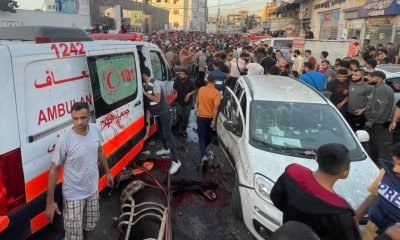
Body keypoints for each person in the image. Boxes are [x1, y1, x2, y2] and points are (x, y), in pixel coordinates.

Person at [45, 102, 114, 240]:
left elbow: (99, 151)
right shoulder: (65, 139)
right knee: (73, 235)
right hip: (73, 195)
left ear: (89, 115)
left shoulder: (95, 130)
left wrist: (108, 172)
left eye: (83, 117)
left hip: (92, 190)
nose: (79, 122)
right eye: (75, 118)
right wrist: (50, 201)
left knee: (90, 225)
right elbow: (54, 170)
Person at [270, 143, 360, 240]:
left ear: (316, 158)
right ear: (344, 173)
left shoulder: (293, 174)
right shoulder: (341, 212)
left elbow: (275, 197)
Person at [356, 144, 400, 240]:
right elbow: (374, 196)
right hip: (371, 229)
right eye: (394, 162)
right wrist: (357, 217)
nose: (395, 169)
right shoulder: (386, 172)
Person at [142, 67, 181, 174]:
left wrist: (144, 93)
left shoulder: (156, 83)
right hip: (157, 113)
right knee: (160, 131)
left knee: (168, 134)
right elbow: (149, 104)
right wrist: (148, 125)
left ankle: (176, 161)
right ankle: (166, 147)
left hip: (164, 112)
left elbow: (157, 99)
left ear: (144, 74)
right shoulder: (145, 85)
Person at [364, 71, 394, 166]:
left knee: (373, 144)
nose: (369, 78)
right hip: (374, 120)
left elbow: (380, 107)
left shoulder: (382, 89)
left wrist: (371, 121)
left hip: (376, 122)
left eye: (372, 77)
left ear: (379, 79)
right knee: (372, 143)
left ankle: (374, 164)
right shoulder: (377, 88)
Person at [196, 75, 221, 170]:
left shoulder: (201, 89)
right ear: (214, 81)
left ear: (207, 80)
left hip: (201, 116)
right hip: (210, 118)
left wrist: (197, 110)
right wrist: (214, 120)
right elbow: (216, 107)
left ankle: (204, 156)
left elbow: (197, 102)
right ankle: (205, 150)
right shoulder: (217, 93)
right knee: (208, 136)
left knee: (201, 136)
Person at [173, 69, 196, 138]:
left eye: (182, 74)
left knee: (185, 117)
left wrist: (189, 94)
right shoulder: (176, 81)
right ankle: (178, 129)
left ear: (186, 75)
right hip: (178, 101)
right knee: (179, 115)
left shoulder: (190, 82)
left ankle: (183, 130)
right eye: (180, 74)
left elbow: (195, 90)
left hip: (188, 103)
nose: (180, 75)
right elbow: (174, 89)